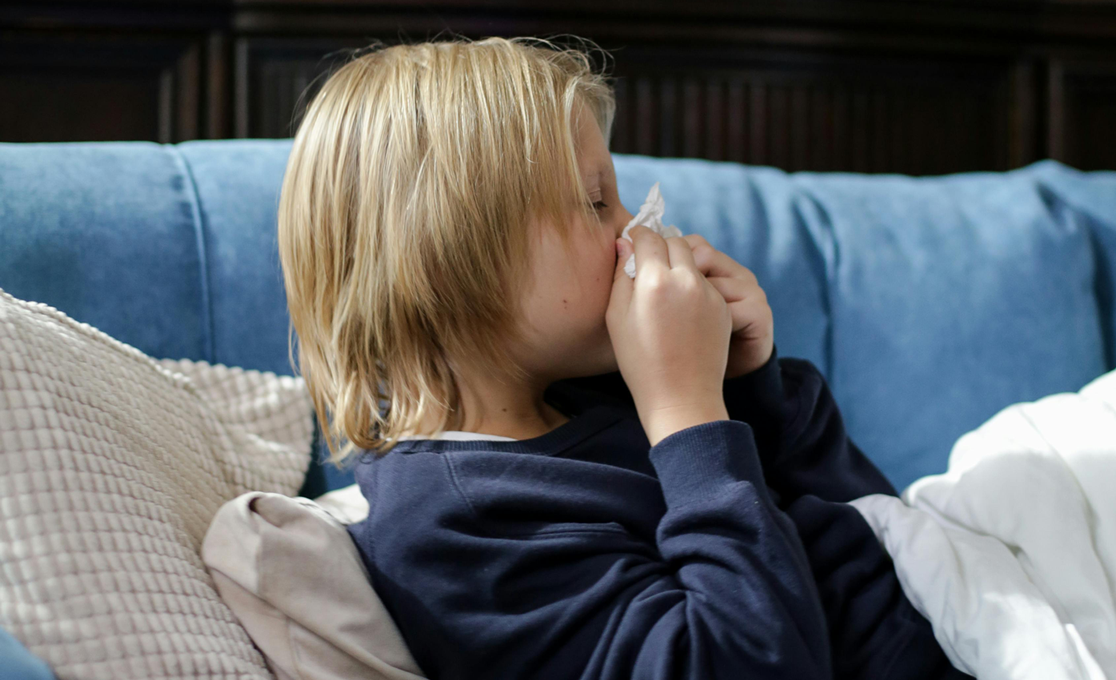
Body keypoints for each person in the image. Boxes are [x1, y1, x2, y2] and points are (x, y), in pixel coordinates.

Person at [277, 34, 972, 680]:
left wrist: (747, 380)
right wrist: (687, 414)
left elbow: (860, 522)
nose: (634, 231)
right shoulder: (457, 525)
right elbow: (751, 660)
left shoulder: (595, 391)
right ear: (449, 263)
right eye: (595, 202)